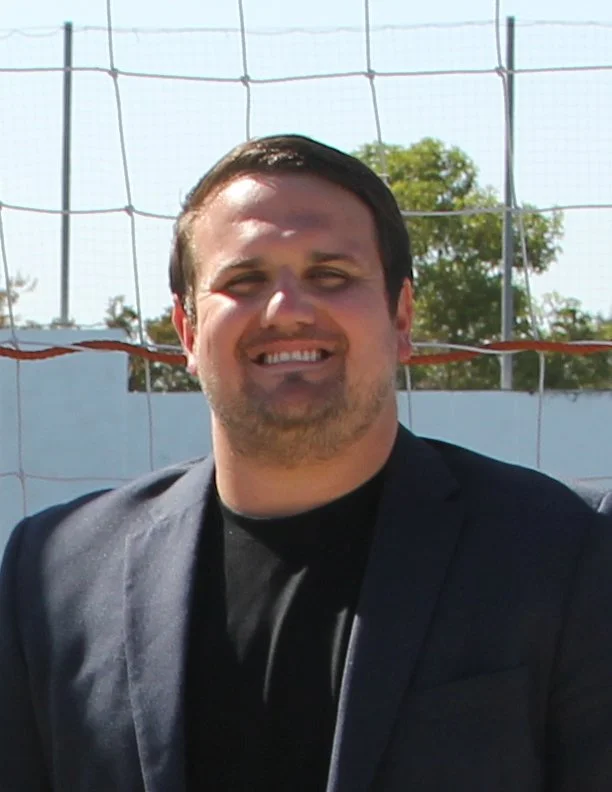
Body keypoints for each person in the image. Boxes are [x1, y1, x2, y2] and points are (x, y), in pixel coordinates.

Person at [0, 134, 611, 792]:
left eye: (331, 275)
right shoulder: (55, 573)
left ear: (401, 318)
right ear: (186, 333)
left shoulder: (566, 552)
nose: (287, 309)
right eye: (244, 280)